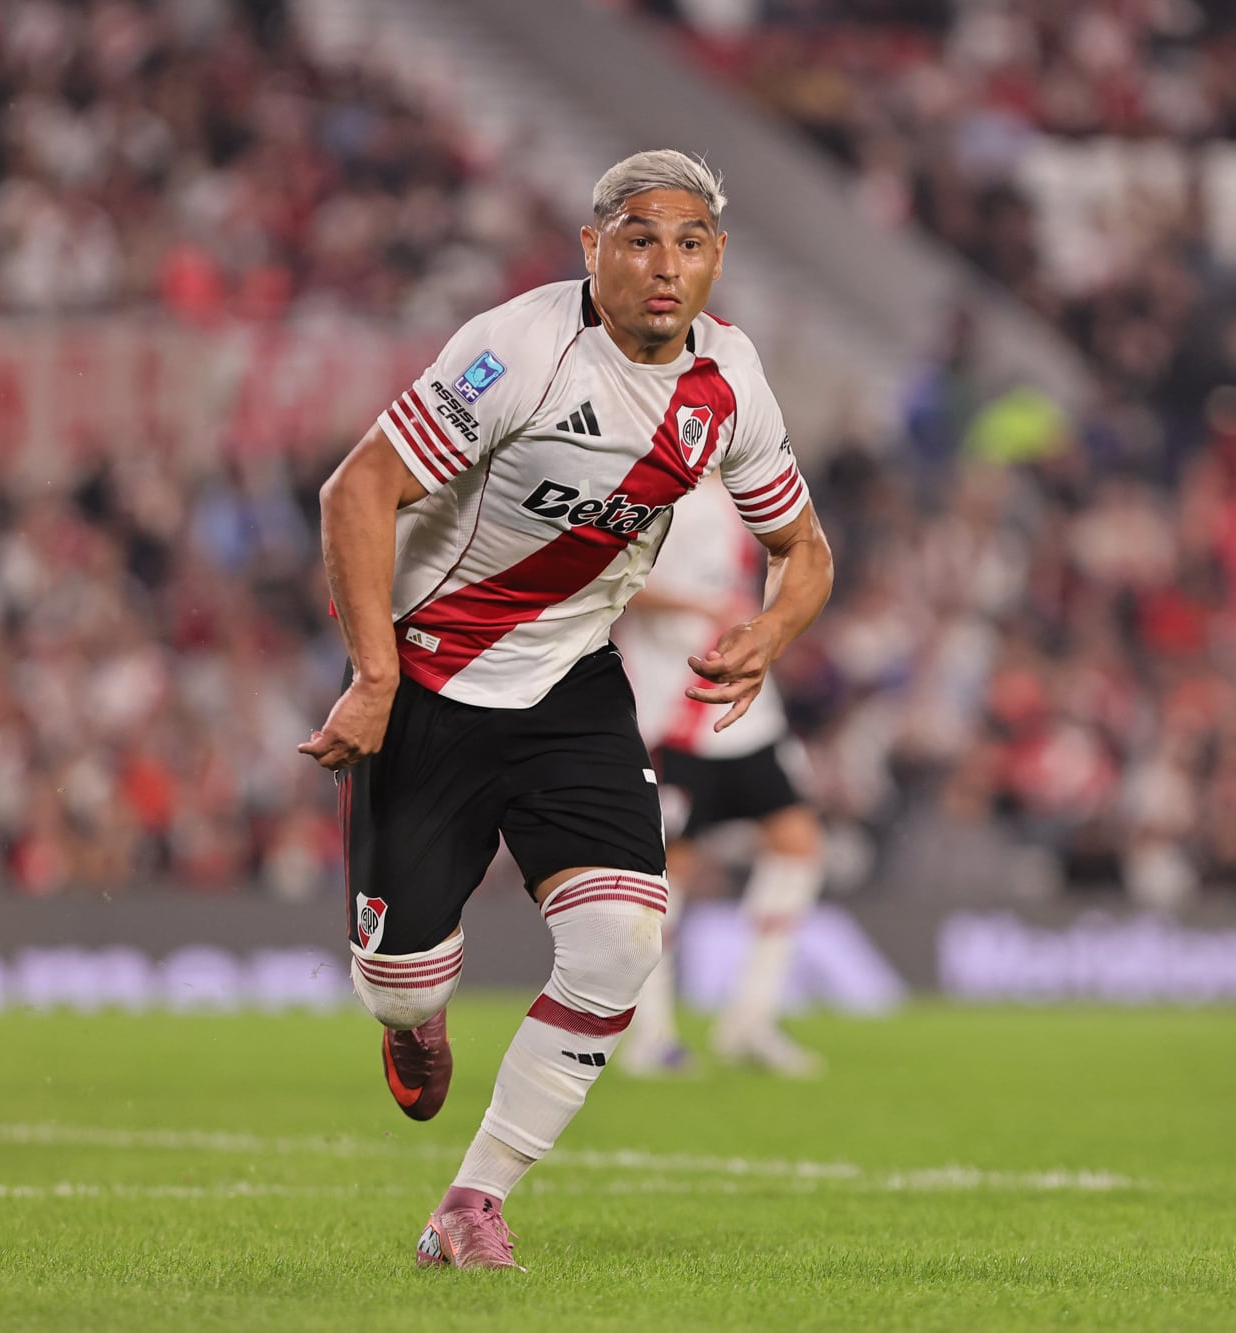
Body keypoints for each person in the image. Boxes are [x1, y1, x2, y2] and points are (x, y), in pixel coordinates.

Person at [301, 150, 834, 1269]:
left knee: (622, 939)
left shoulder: (727, 378)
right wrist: (372, 674)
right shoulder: (519, 348)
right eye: (638, 239)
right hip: (432, 685)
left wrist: (770, 633)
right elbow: (357, 488)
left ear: (716, 259)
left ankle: (472, 1200)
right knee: (399, 985)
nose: (663, 266)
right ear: (589, 248)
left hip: (571, 686)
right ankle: (412, 1017)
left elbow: (804, 550)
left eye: (688, 244)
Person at [615, 473, 827, 1079]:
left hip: (749, 708)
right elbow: (617, 586)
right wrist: (698, 606)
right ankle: (651, 1035)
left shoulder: (744, 489)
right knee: (669, 868)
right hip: (675, 708)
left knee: (797, 843)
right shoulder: (650, 491)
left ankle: (749, 1019)